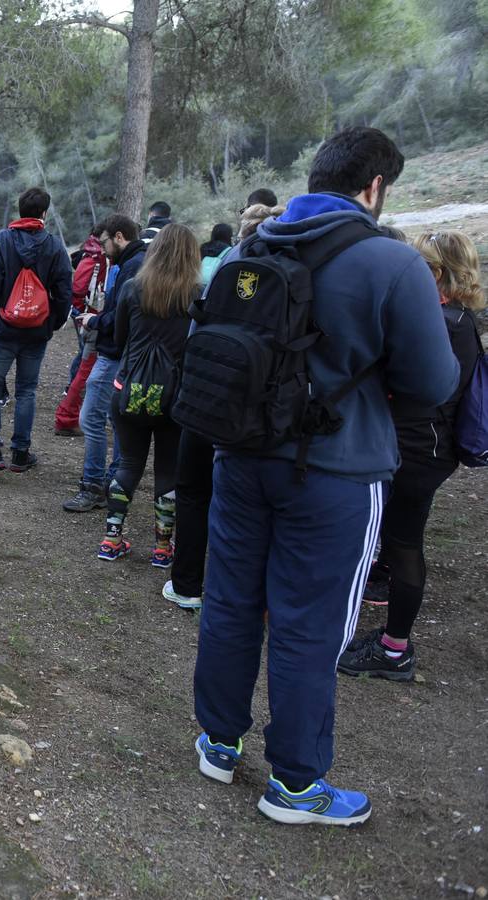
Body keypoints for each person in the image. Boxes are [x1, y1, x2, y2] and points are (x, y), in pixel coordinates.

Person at [192, 127, 459, 826]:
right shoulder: (390, 264)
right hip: (335, 473)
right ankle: (297, 785)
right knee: (311, 625)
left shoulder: (253, 247)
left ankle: (218, 741)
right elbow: (433, 380)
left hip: (242, 455)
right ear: (374, 187)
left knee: (230, 600)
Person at [339, 230, 483, 679]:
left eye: (419, 265)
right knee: (399, 542)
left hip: (417, 451)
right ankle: (393, 644)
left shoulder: (444, 324)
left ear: (436, 272)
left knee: (401, 545)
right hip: (424, 448)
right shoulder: (459, 320)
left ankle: (394, 649)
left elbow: (409, 384)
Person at [163, 197, 284, 609]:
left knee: (193, 491)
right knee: (255, 503)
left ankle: (186, 585)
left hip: (205, 394)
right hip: (260, 406)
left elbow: (198, 324)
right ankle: (249, 596)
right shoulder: (297, 272)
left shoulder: (229, 262)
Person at [98, 223, 196, 565]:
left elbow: (121, 337)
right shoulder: (198, 294)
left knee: (128, 463)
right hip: (174, 397)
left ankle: (111, 539)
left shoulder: (132, 288)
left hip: (129, 390)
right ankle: (162, 548)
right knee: (168, 471)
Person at [0, 188, 73, 476]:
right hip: (36, 333)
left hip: (3, 330)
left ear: (20, 210)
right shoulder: (55, 247)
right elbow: (64, 293)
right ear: (44, 213)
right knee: (26, 391)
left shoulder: (2, 241)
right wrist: (51, 324)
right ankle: (20, 453)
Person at [63, 215, 144, 511]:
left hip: (113, 353)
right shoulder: (135, 263)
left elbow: (122, 315)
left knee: (92, 419)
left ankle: (96, 484)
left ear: (119, 236)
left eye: (105, 242)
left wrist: (95, 320)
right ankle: (112, 482)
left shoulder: (133, 266)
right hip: (121, 352)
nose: (104, 249)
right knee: (116, 421)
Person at [54, 226, 108, 436]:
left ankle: (69, 415)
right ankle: (67, 417)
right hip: (93, 320)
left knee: (84, 367)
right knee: (86, 370)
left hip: (86, 317)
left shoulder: (89, 255)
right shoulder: (101, 260)